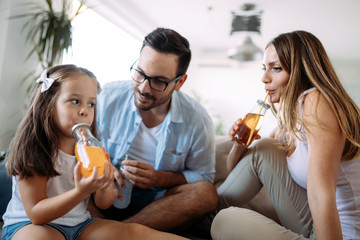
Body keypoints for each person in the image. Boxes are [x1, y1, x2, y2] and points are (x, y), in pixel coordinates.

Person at [1, 64, 188, 240]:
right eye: (74, 101)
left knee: (134, 232)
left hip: (79, 225)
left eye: (91, 104)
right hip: (30, 225)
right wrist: (81, 192)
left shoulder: (89, 148)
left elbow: (103, 203)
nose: (84, 111)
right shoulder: (35, 150)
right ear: (48, 105)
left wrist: (103, 184)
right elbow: (36, 214)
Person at [211, 30, 360, 240]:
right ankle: (204, 211)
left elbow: (321, 193)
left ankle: (205, 215)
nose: (264, 78)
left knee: (224, 222)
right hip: (313, 226)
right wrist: (239, 144)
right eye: (264, 68)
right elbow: (236, 170)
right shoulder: (288, 121)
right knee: (263, 148)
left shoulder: (316, 101)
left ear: (302, 71)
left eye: (276, 68)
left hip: (341, 233)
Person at [96, 27, 218, 232]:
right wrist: (103, 165)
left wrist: (159, 178)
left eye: (158, 81)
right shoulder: (106, 96)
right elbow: (77, 141)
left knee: (206, 194)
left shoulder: (198, 120)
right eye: (140, 73)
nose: (143, 88)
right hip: (101, 191)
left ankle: (116, 233)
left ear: (179, 82)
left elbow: (203, 176)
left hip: (155, 205)